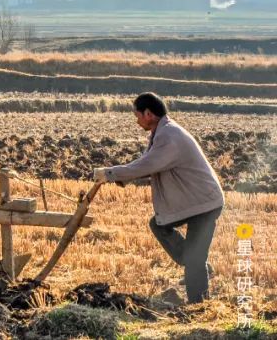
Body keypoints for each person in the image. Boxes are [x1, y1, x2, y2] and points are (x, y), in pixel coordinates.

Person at [93, 92, 225, 304]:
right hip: (196, 202)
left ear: (148, 113)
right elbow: (151, 167)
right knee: (162, 227)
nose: (136, 120)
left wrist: (110, 173)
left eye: (137, 115)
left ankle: (198, 304)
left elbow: (146, 165)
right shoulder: (162, 132)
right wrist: (121, 177)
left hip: (204, 204)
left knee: (187, 253)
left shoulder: (169, 136)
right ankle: (194, 262)